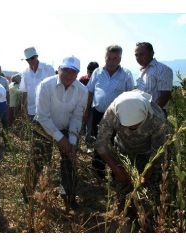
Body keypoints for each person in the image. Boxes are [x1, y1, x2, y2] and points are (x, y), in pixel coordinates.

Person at [96, 90, 171, 230]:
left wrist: (146, 174)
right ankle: (124, 216)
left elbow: (160, 151)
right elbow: (101, 144)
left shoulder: (157, 117)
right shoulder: (113, 112)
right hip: (123, 150)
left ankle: (147, 220)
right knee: (123, 187)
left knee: (150, 191)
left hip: (149, 153)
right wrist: (116, 169)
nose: (132, 129)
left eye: (136, 125)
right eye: (128, 126)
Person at [23, 56, 88, 211]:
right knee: (38, 159)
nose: (68, 75)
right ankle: (27, 192)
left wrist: (71, 141)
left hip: (66, 127)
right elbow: (43, 116)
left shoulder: (82, 90)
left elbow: (77, 117)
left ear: (77, 74)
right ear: (59, 69)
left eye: (73, 72)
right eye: (65, 70)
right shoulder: (45, 85)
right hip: (43, 126)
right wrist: (60, 139)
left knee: (69, 162)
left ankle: (67, 196)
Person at [86, 45, 134, 177]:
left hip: (117, 116)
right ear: (105, 57)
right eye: (109, 57)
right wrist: (86, 112)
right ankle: (98, 171)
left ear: (119, 59)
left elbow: (130, 96)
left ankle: (115, 172)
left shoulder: (126, 74)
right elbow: (90, 92)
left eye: (115, 58)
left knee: (115, 143)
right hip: (98, 114)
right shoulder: (97, 72)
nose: (111, 61)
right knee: (99, 142)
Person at [134, 42, 173, 116]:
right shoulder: (141, 71)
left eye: (142, 54)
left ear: (152, 53)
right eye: (136, 55)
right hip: (142, 113)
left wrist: (154, 113)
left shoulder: (162, 69)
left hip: (156, 113)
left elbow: (165, 95)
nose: (138, 57)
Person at [19, 47, 55, 121]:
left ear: (36, 56)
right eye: (27, 59)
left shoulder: (48, 69)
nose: (30, 61)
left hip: (47, 112)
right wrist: (23, 110)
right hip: (31, 112)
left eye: (32, 58)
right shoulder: (25, 73)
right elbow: (24, 92)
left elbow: (55, 90)